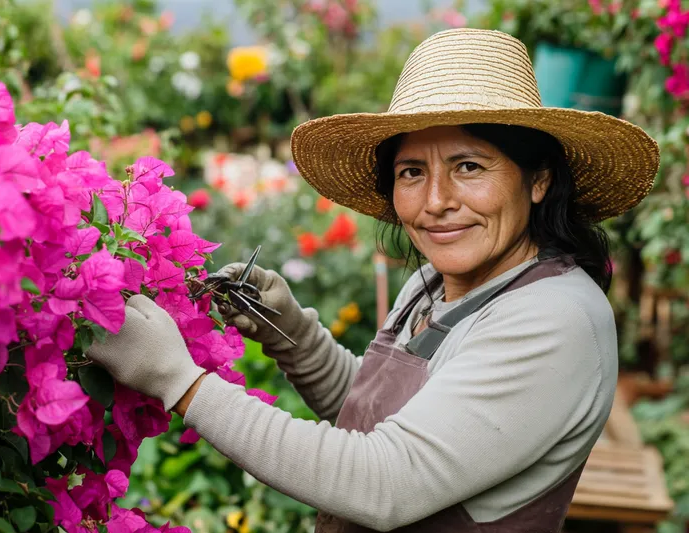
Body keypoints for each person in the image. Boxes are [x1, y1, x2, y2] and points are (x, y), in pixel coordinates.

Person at [87, 28, 660, 532]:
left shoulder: (556, 320)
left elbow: (383, 481)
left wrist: (178, 380)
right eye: (412, 172)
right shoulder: (436, 284)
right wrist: (293, 335)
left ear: (538, 180)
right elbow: (384, 421)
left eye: (469, 166)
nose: (435, 202)